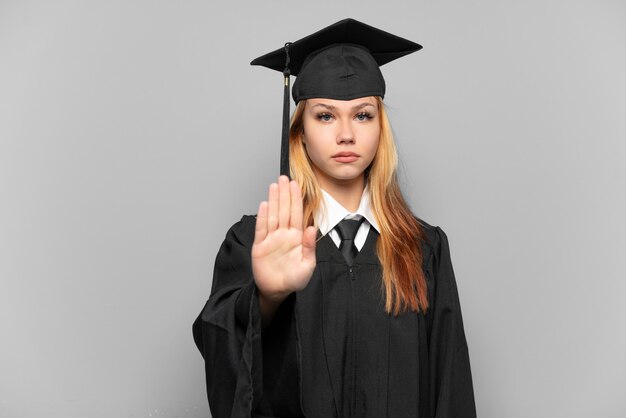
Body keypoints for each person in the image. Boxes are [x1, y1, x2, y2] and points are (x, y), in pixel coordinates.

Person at [193, 18, 477, 418]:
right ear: (301, 134)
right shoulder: (256, 240)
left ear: (381, 129)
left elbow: (451, 390)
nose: (346, 134)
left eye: (363, 115)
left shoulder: (425, 249)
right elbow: (220, 346)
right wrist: (266, 298)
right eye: (325, 116)